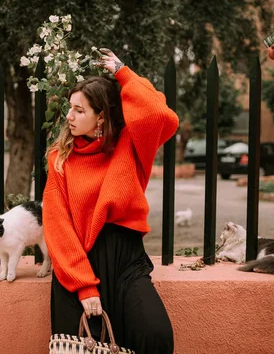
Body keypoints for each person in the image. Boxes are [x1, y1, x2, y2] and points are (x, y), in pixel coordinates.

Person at [43, 48, 178, 353]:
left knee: (155, 335)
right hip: (80, 263)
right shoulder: (60, 158)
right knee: (83, 347)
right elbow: (57, 224)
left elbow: (160, 115)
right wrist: (85, 286)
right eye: (70, 107)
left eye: (79, 110)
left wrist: (123, 72)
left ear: (101, 115)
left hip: (127, 262)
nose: (69, 116)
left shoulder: (130, 145)